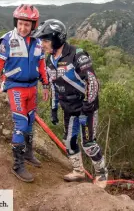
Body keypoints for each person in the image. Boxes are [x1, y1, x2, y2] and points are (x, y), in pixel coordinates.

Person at [31, 19, 108, 188]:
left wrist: (88, 106)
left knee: (88, 143)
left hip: (85, 106)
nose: (42, 44)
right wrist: (53, 108)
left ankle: (101, 174)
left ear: (57, 38)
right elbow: (53, 85)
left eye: (45, 40)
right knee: (69, 141)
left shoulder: (78, 54)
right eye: (41, 40)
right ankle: (78, 172)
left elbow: (92, 82)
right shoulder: (49, 60)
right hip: (68, 107)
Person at [0, 4, 49, 183]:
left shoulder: (38, 42)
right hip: (15, 87)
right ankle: (17, 165)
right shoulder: (8, 40)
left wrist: (45, 84)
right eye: (20, 23)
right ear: (16, 22)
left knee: (30, 122)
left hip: (32, 87)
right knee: (21, 124)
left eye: (27, 25)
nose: (23, 28)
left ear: (33, 26)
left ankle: (28, 154)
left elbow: (42, 65)